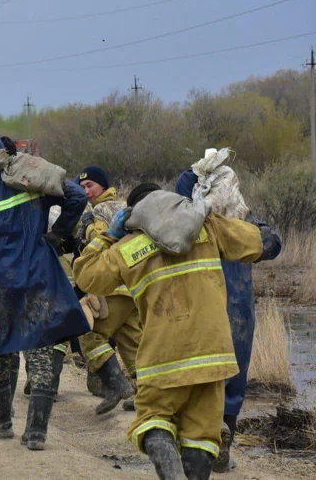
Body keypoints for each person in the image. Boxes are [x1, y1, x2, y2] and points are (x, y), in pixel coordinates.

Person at [73, 183, 281, 479]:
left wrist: (109, 235)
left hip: (163, 358)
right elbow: (269, 244)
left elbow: (85, 276)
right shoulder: (207, 226)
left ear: (134, 216)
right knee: (202, 436)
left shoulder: (127, 247)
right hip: (213, 357)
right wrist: (244, 210)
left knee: (153, 420)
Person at [0, 129, 90, 451]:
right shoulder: (30, 176)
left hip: (0, 283)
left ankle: (1, 421)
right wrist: (57, 235)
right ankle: (36, 432)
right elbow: (77, 197)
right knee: (42, 347)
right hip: (40, 275)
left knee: (1, 351)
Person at [175, 169, 281, 473]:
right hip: (236, 310)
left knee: (196, 377)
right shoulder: (240, 222)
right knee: (233, 377)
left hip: (198, 312)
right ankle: (220, 450)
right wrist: (244, 215)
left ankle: (198, 447)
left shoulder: (179, 224)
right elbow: (273, 243)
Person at [75, 166, 142, 415]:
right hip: (132, 288)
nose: (86, 191)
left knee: (89, 334)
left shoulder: (101, 211)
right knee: (133, 344)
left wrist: (89, 228)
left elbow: (106, 245)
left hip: (113, 287)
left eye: (90, 185)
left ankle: (116, 386)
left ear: (103, 186)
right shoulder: (124, 205)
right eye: (82, 187)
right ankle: (147, 397)